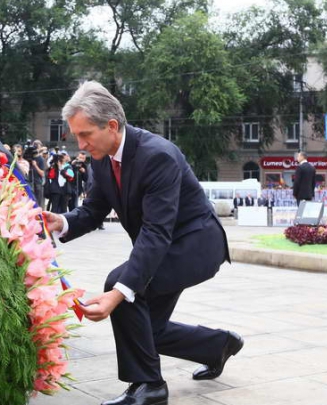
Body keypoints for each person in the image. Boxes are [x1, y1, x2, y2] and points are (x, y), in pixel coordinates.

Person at [44, 81, 242, 405]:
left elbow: (156, 231)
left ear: (111, 125)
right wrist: (62, 221)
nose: (80, 145)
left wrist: (120, 292)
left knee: (121, 288)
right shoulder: (101, 157)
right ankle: (217, 346)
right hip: (163, 246)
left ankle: (149, 387)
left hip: (196, 245)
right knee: (146, 330)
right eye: (76, 136)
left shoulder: (157, 155)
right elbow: (94, 210)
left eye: (85, 135)